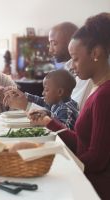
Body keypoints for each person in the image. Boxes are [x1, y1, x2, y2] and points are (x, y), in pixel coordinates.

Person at [28, 13, 110, 199]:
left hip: (94, 188)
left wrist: (57, 163)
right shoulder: (97, 89)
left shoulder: (105, 95)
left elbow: (96, 160)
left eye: (75, 58)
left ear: (95, 53)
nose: (71, 66)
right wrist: (49, 122)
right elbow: (83, 144)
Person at [3, 69, 78, 130]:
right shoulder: (55, 102)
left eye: (46, 90)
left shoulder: (66, 110)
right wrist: (23, 95)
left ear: (60, 92)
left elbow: (64, 131)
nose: (42, 93)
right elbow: (40, 101)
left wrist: (48, 116)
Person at [49, 22, 93, 110]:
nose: (50, 50)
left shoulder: (85, 71)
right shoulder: (66, 68)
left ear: (71, 41)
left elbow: (73, 111)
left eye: (54, 43)